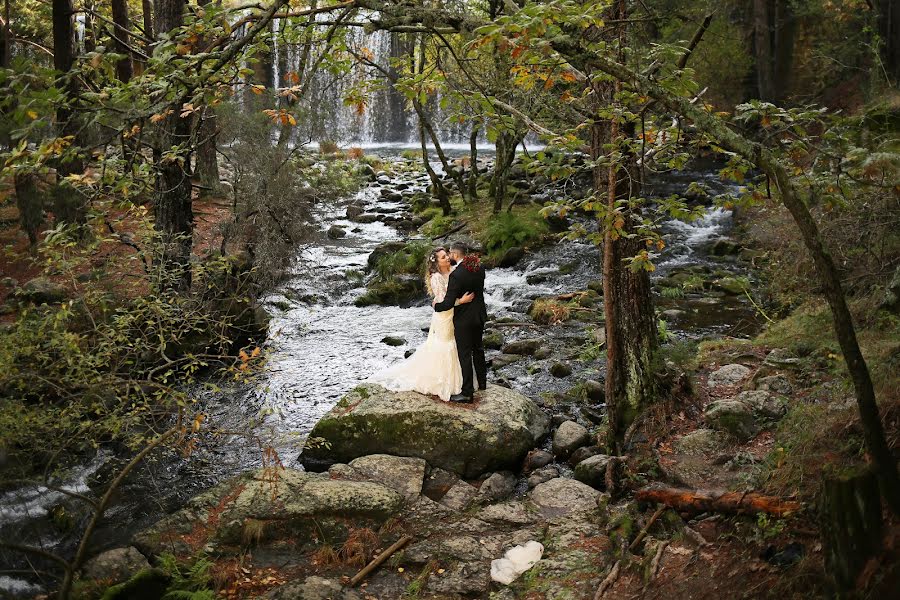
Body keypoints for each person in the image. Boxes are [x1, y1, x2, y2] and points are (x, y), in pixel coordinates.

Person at [368, 247, 475, 401]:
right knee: (446, 345)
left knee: (457, 345)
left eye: (446, 255)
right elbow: (443, 300)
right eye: (443, 257)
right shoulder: (436, 278)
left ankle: (464, 383)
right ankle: (444, 382)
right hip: (445, 316)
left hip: (457, 315)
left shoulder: (454, 271)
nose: (447, 258)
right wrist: (461, 301)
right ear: (436, 262)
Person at [432, 241, 488, 403]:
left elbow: (448, 303)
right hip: (479, 315)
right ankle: (483, 383)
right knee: (478, 348)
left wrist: (437, 306)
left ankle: (467, 392)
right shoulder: (479, 266)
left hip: (464, 320)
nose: (449, 256)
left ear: (456, 255)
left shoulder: (457, 275)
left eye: (449, 254)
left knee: (464, 354)